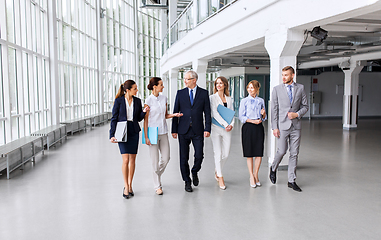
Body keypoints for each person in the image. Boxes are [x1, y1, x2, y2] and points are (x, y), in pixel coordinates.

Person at [269, 66, 309, 192]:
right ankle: (273, 167)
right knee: (281, 151)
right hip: (282, 125)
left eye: (286, 75)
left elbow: (305, 106)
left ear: (292, 75)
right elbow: (274, 110)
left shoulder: (300, 88)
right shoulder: (276, 90)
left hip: (296, 126)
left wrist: (297, 114)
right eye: (283, 75)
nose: (284, 77)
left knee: (294, 153)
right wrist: (274, 127)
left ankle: (291, 180)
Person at [172, 70, 212, 192]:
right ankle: (187, 181)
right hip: (183, 130)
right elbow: (175, 112)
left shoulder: (204, 93)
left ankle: (194, 171)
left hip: (198, 129)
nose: (185, 81)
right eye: (184, 79)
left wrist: (207, 128)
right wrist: (174, 129)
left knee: (199, 155)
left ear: (194, 80)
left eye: (187, 79)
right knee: (183, 157)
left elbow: (207, 112)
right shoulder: (180, 93)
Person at [109, 80, 149, 199]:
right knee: (125, 159)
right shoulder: (119, 101)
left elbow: (138, 118)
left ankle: (130, 184)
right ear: (128, 90)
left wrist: (144, 112)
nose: (137, 91)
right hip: (122, 131)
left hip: (133, 131)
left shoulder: (137, 101)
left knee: (132, 160)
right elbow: (114, 118)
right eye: (135, 88)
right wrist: (112, 134)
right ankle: (126, 186)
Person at [143, 77, 183, 195]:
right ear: (154, 86)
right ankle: (157, 186)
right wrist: (146, 136)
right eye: (161, 85)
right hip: (152, 132)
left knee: (166, 158)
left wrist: (174, 115)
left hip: (163, 131)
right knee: (154, 160)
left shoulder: (164, 98)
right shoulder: (148, 100)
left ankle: (156, 173)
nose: (163, 86)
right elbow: (145, 120)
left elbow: (165, 115)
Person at [239, 80, 267, 188]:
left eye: (252, 88)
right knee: (249, 153)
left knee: (259, 153)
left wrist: (263, 115)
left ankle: (256, 174)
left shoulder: (261, 101)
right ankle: (251, 176)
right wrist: (252, 121)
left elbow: (264, 118)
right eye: (249, 87)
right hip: (248, 127)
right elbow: (241, 117)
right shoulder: (244, 101)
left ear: (257, 89)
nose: (250, 90)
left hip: (259, 127)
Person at [209, 76, 234, 190]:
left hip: (227, 129)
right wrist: (225, 124)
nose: (218, 85)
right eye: (216, 83)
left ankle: (216, 169)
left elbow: (232, 113)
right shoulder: (212, 98)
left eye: (220, 83)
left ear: (225, 85)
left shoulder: (229, 99)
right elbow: (214, 113)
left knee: (226, 154)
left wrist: (231, 125)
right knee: (217, 153)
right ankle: (220, 176)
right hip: (216, 128)